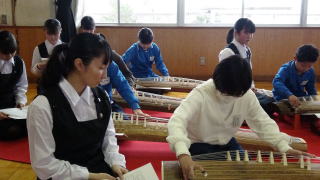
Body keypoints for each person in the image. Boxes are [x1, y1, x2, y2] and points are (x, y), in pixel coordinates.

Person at [166, 55, 314, 180]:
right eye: (227, 94)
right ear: (218, 82)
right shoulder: (201, 93)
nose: (231, 99)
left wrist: (283, 146)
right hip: (198, 143)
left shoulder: (246, 94)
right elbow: (177, 120)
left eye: (237, 95)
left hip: (227, 142)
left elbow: (262, 122)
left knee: (246, 171)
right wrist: (183, 153)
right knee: (209, 174)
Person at [27, 33, 127, 180]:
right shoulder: (43, 106)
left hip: (99, 172)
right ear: (79, 64)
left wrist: (116, 163)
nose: (104, 75)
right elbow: (43, 164)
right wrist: (89, 176)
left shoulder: (101, 97)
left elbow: (108, 138)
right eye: (100, 67)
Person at [219, 18, 276, 117]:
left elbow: (249, 73)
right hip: (233, 93)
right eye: (246, 32)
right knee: (265, 107)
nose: (249, 36)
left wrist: (251, 87)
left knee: (272, 102)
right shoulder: (228, 52)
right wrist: (245, 91)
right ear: (236, 32)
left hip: (246, 90)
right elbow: (226, 80)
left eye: (251, 33)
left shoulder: (248, 50)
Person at [273, 44, 320, 134]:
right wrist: (289, 95)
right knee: (284, 108)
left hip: (299, 97)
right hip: (283, 97)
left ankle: (313, 121)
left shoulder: (310, 71)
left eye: (309, 66)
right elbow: (277, 82)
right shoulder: (285, 69)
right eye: (303, 65)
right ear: (295, 58)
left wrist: (314, 100)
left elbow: (311, 89)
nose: (306, 69)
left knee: (312, 108)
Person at [79, 16, 135, 86]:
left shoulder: (98, 39)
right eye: (86, 30)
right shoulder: (78, 41)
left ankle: (128, 76)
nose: (89, 32)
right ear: (82, 28)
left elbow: (108, 52)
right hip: (88, 70)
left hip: (102, 68)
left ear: (94, 29)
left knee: (114, 56)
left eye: (91, 30)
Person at [0, 30, 28, 141]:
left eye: (13, 52)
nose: (10, 56)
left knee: (33, 122)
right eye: (5, 53)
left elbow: (21, 86)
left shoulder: (19, 62)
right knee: (12, 131)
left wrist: (20, 102)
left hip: (11, 107)